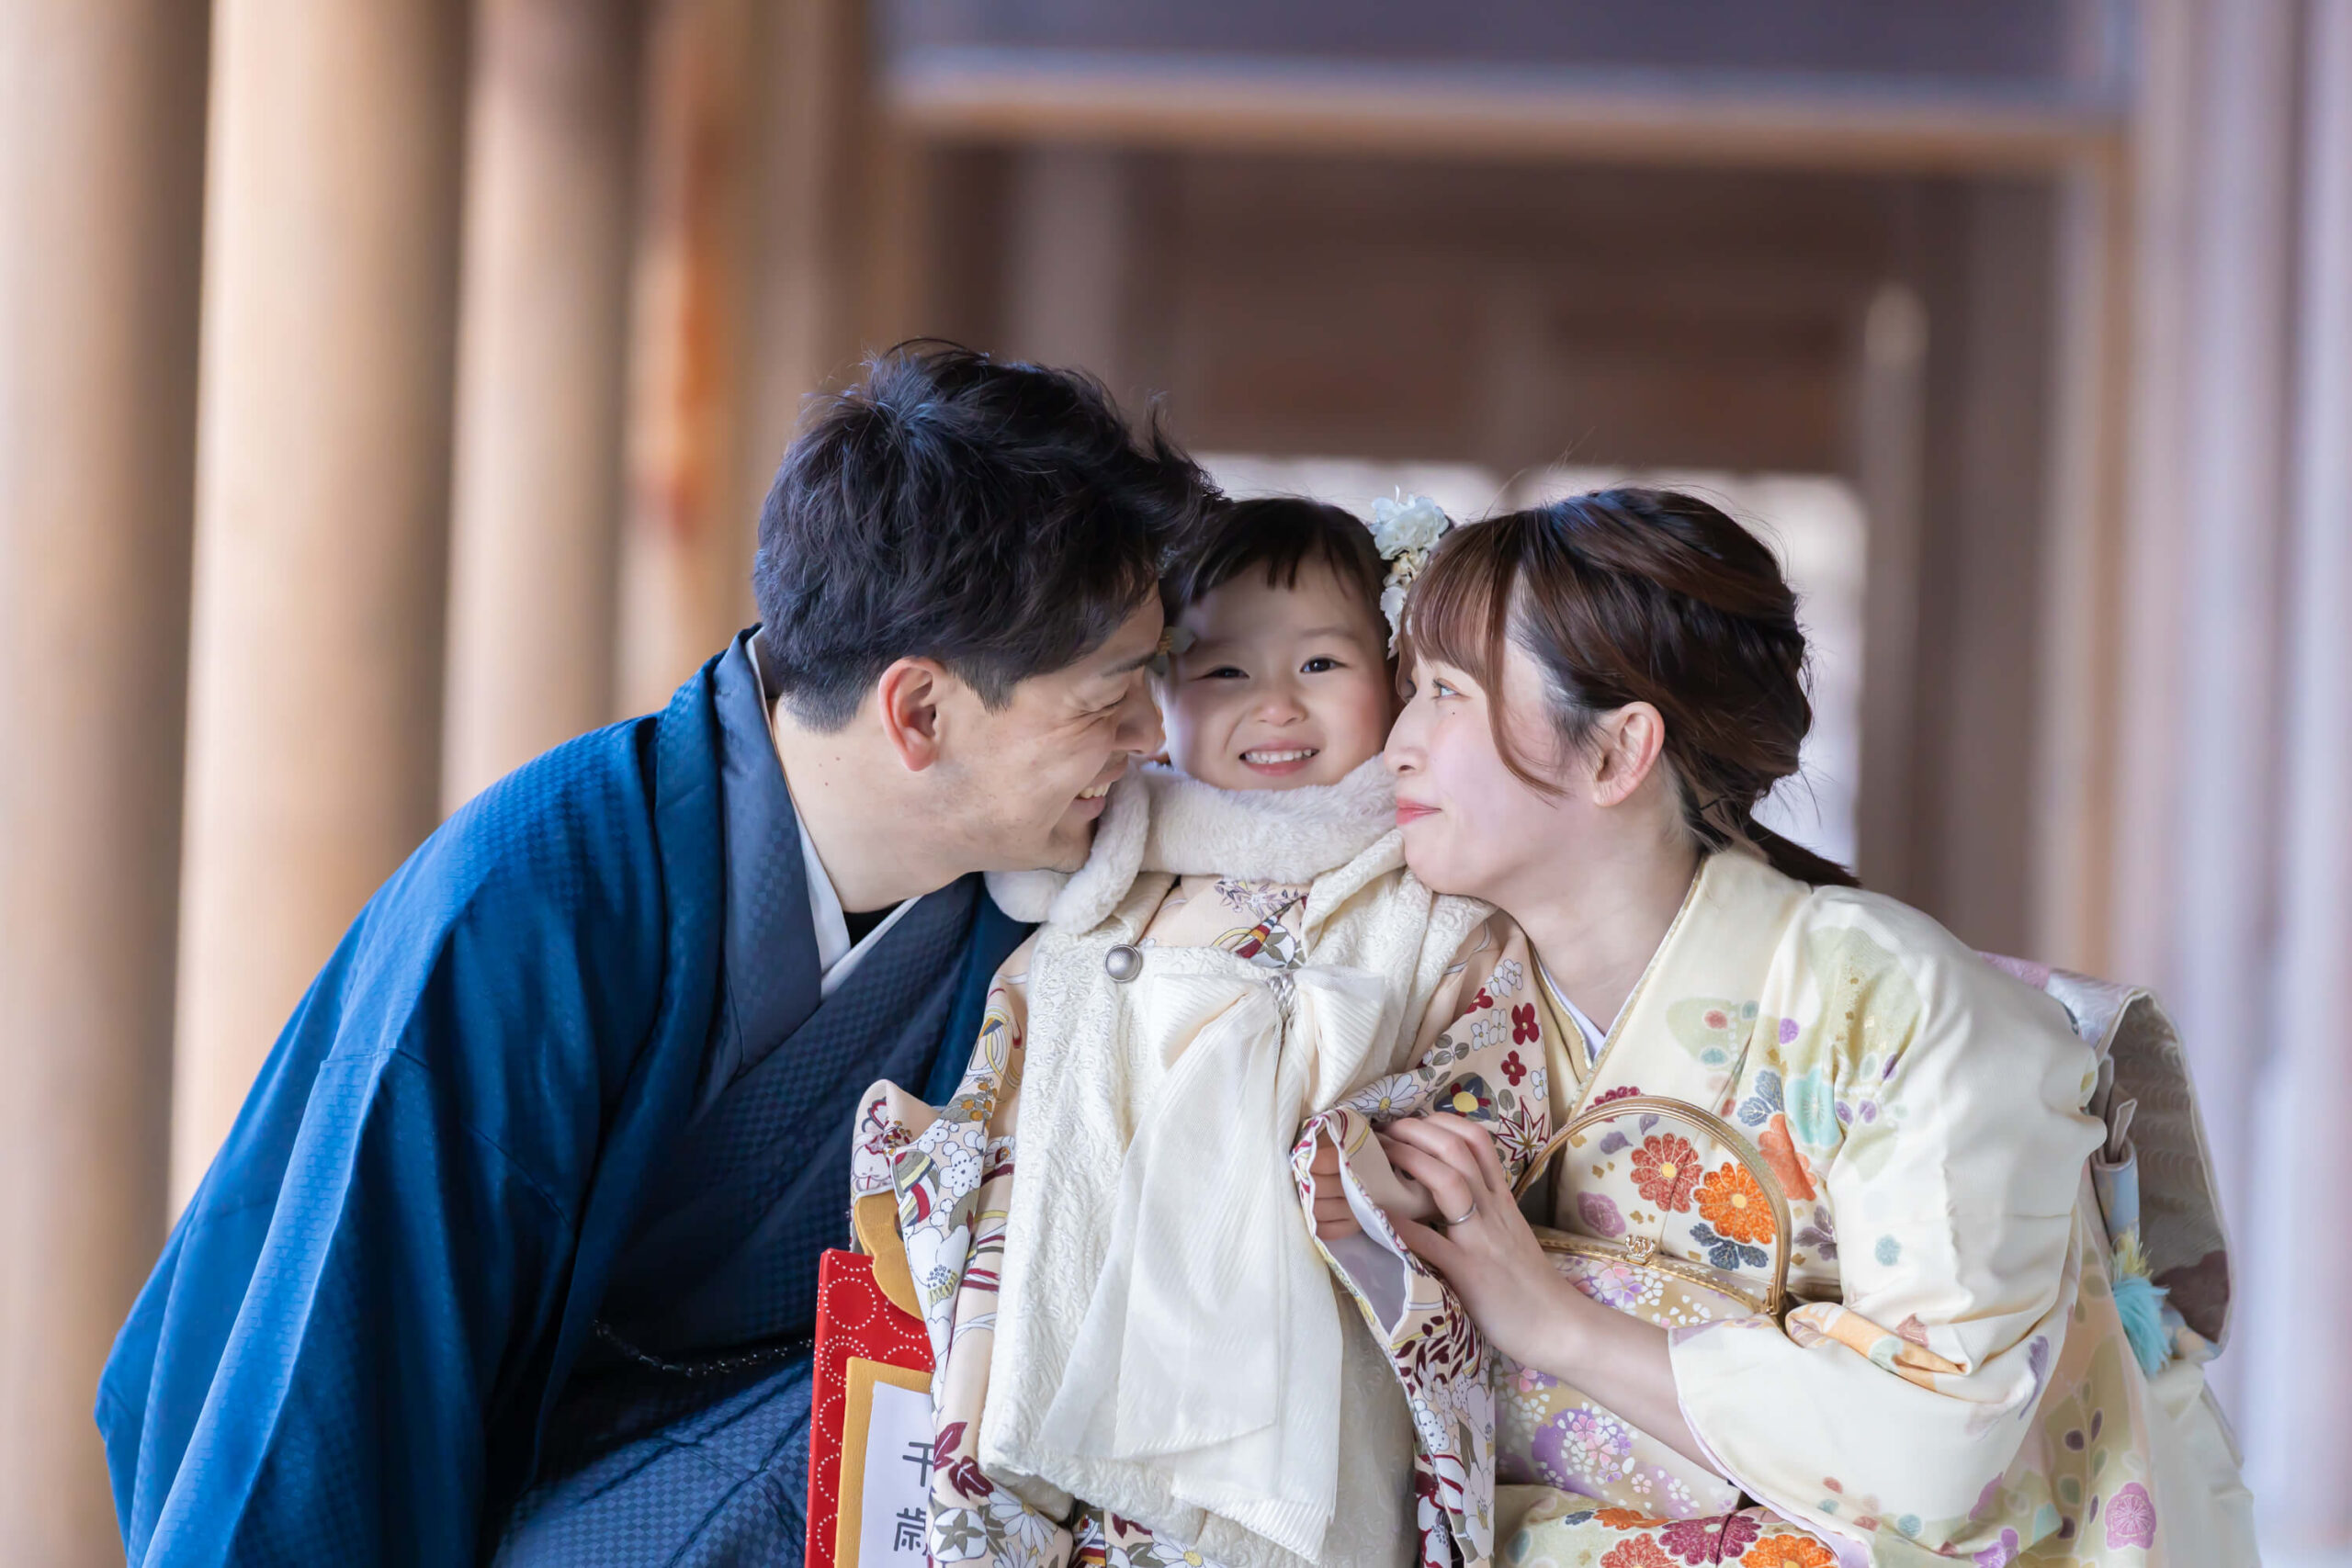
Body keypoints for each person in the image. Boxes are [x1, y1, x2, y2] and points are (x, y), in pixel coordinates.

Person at [96, 344, 1216, 1567]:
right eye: (1108, 697)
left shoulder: (1056, 916)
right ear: (920, 712)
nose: (1152, 736)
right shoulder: (531, 899)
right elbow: (337, 1377)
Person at [1306, 490, 2254, 1566]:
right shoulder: (1435, 990)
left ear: (1615, 753)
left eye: (1445, 692)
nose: (1398, 744)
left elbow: (1936, 1456)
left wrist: (1551, 1324)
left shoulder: (1895, 1006)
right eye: (1409, 690)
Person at [847, 495, 1548, 1568]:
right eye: (1224, 670)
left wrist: (1386, 1172)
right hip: (1066, 1315)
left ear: (1397, 674)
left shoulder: (1434, 902)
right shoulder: (1101, 884)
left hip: (1295, 1352)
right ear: (1158, 694)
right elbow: (1014, 1079)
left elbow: (1495, 1097)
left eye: (1320, 664)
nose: (1275, 704)